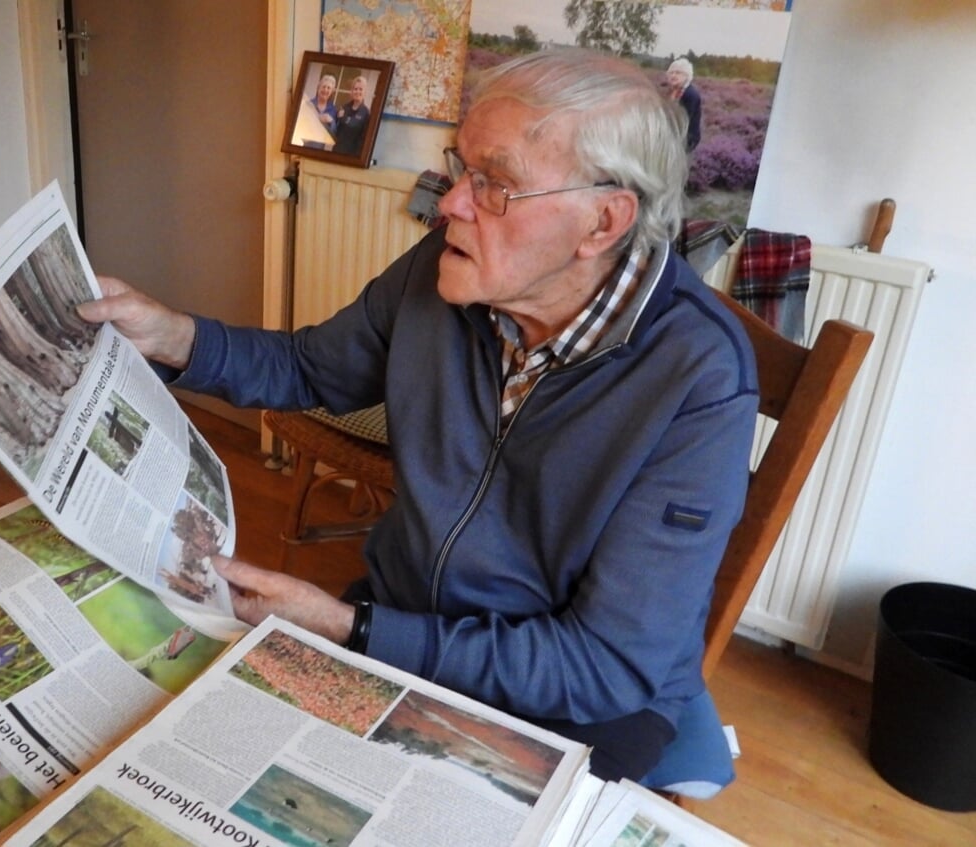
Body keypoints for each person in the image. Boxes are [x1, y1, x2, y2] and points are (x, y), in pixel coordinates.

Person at [76, 48, 757, 782]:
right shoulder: (441, 273)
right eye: (460, 167)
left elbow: (604, 665)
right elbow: (311, 366)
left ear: (601, 222)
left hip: (573, 700)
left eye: (495, 184)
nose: (450, 203)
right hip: (404, 615)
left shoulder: (698, 376)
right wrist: (170, 334)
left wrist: (350, 626)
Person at [666, 57, 702, 152]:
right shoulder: (672, 91)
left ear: (687, 76)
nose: (673, 76)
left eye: (678, 73)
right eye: (671, 73)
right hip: (672, 133)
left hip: (686, 138)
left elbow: (684, 120)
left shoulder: (690, 94)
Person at [330, 75, 371, 157]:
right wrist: (338, 118)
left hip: (352, 155)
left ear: (365, 92)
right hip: (337, 151)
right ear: (352, 91)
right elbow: (335, 130)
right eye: (355, 89)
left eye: (360, 89)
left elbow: (363, 139)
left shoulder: (366, 113)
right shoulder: (344, 108)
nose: (357, 92)